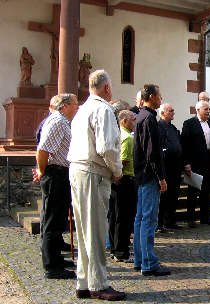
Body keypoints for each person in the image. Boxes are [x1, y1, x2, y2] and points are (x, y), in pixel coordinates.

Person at [67, 70, 125, 301]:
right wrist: (117, 170)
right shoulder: (103, 109)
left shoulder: (82, 111)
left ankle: (83, 282)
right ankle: (98, 284)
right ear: (107, 88)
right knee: (96, 231)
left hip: (78, 170)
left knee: (83, 231)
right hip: (93, 172)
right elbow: (107, 147)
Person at [34, 93, 79, 279]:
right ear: (65, 105)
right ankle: (52, 266)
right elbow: (43, 150)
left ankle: (57, 258)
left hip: (60, 174)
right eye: (75, 104)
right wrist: (43, 171)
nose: (77, 107)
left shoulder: (62, 121)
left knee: (58, 219)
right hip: (56, 175)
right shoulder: (58, 121)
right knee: (52, 221)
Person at [133, 84, 169, 276]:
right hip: (149, 177)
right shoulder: (149, 119)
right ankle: (148, 262)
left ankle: (140, 259)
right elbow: (152, 153)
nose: (161, 99)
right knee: (148, 218)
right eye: (160, 96)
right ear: (152, 97)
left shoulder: (140, 116)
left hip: (141, 175)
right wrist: (161, 177)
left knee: (140, 218)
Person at [181, 100, 210, 227]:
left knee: (207, 191)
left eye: (209, 109)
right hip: (194, 163)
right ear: (198, 110)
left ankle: (205, 217)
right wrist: (186, 163)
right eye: (206, 109)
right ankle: (191, 219)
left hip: (208, 162)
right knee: (192, 192)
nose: (208, 111)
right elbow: (184, 145)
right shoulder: (189, 124)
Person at [108, 110, 136, 262]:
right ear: (124, 121)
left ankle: (114, 248)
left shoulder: (118, 135)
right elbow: (123, 160)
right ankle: (121, 251)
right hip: (124, 179)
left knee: (115, 216)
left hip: (117, 180)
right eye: (132, 119)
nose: (134, 122)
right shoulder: (127, 138)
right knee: (123, 218)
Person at [157, 103, 183, 231]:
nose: (173, 112)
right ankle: (159, 222)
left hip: (176, 167)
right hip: (165, 167)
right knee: (163, 196)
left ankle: (170, 220)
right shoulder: (158, 127)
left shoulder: (173, 128)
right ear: (162, 113)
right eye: (170, 111)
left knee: (174, 194)